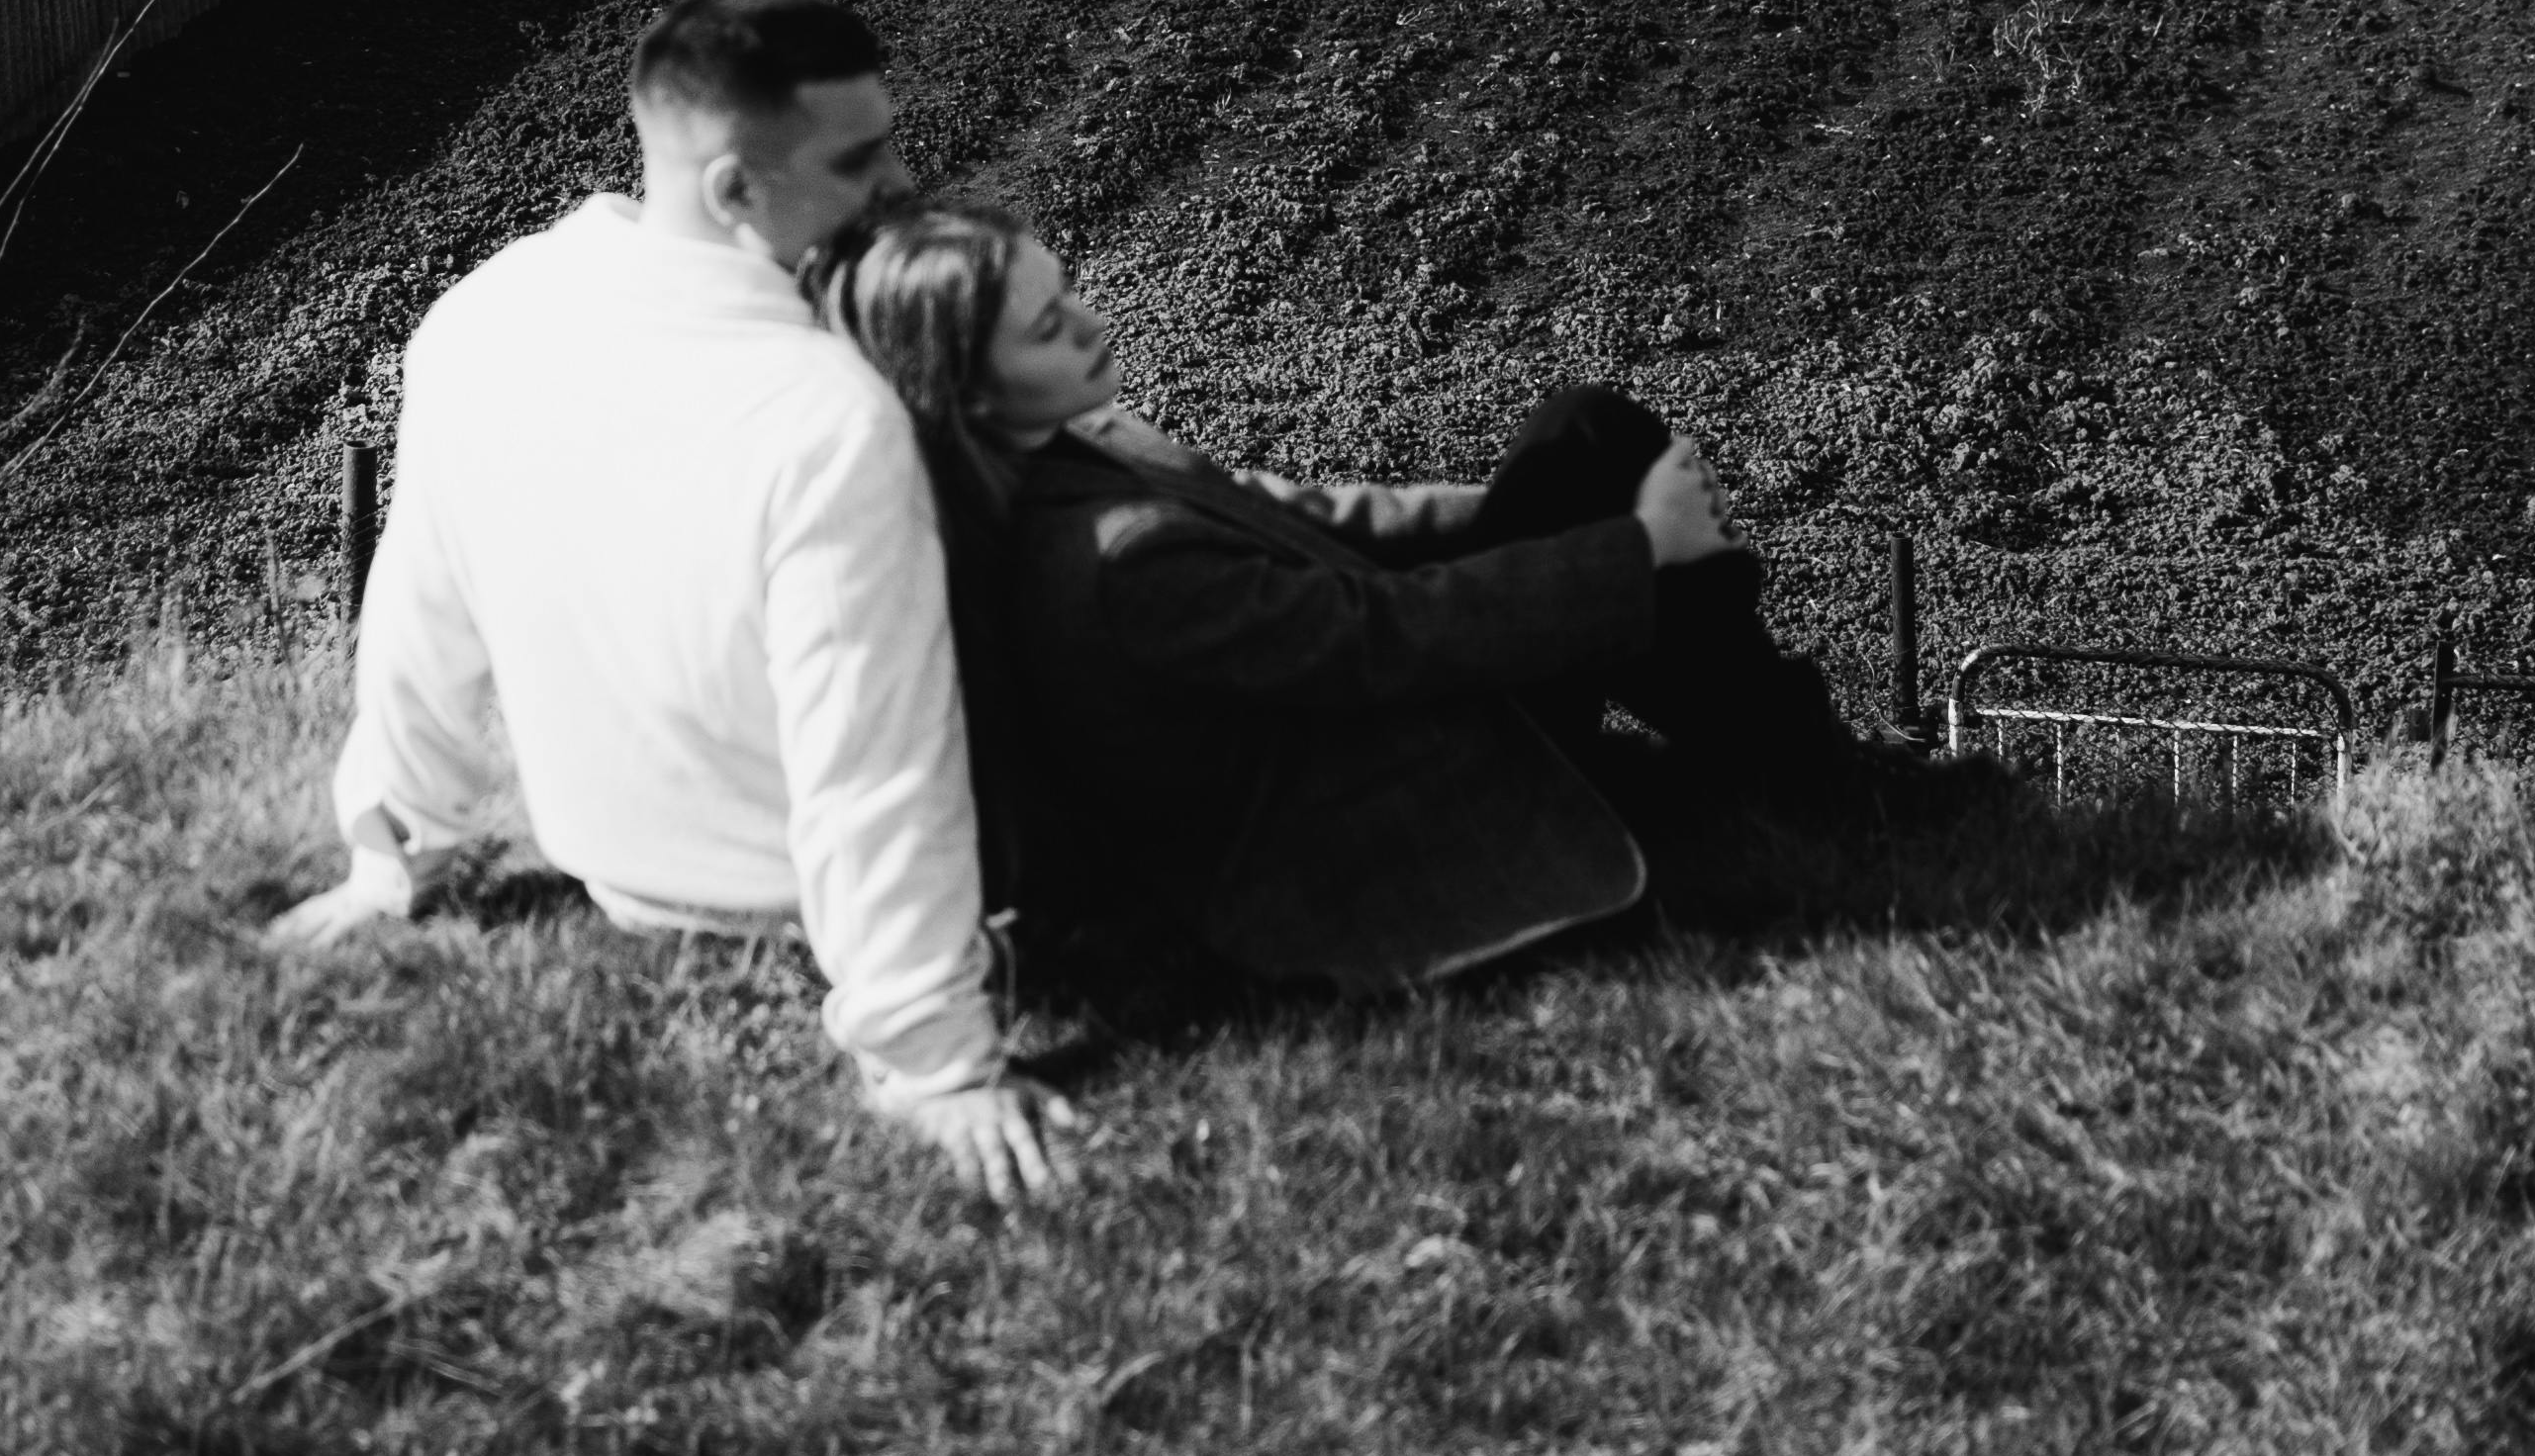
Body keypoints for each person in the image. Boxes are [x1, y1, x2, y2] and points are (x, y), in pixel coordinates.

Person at [264, 0, 1073, 1209]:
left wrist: (395, 852)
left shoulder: (486, 313)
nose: (900, 179)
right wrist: (931, 1061)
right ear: (737, 190)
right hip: (790, 888)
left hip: (618, 871)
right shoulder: (824, 414)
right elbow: (874, 758)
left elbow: (419, 610)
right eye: (858, 159)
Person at [815, 201, 1930, 995]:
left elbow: (1307, 511)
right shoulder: (1113, 558)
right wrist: (1632, 548)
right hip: (1364, 809)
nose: (1093, 326)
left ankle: (1792, 757)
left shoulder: (1077, 441)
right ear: (964, 386)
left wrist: (1533, 509)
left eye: (1070, 295)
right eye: (1049, 326)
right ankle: (1810, 769)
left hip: (1355, 729)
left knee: (1584, 440)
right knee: (1603, 458)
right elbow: (1382, 642)